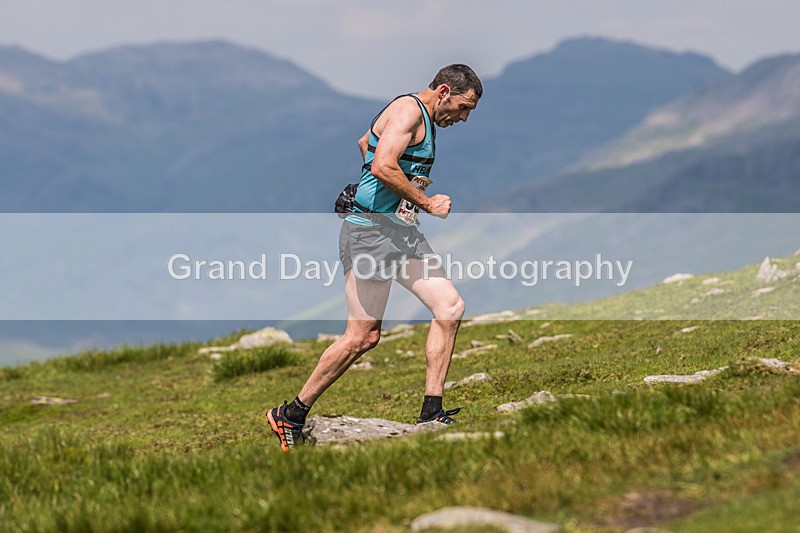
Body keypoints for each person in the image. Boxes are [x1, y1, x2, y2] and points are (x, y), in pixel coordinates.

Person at [266, 64, 482, 451]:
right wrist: (426, 202)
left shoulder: (423, 119)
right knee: (362, 336)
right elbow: (383, 164)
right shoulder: (409, 111)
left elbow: (365, 141)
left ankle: (431, 411)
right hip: (368, 234)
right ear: (444, 90)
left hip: (400, 232)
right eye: (463, 107)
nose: (463, 118)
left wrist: (376, 188)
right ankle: (291, 414)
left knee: (449, 308)